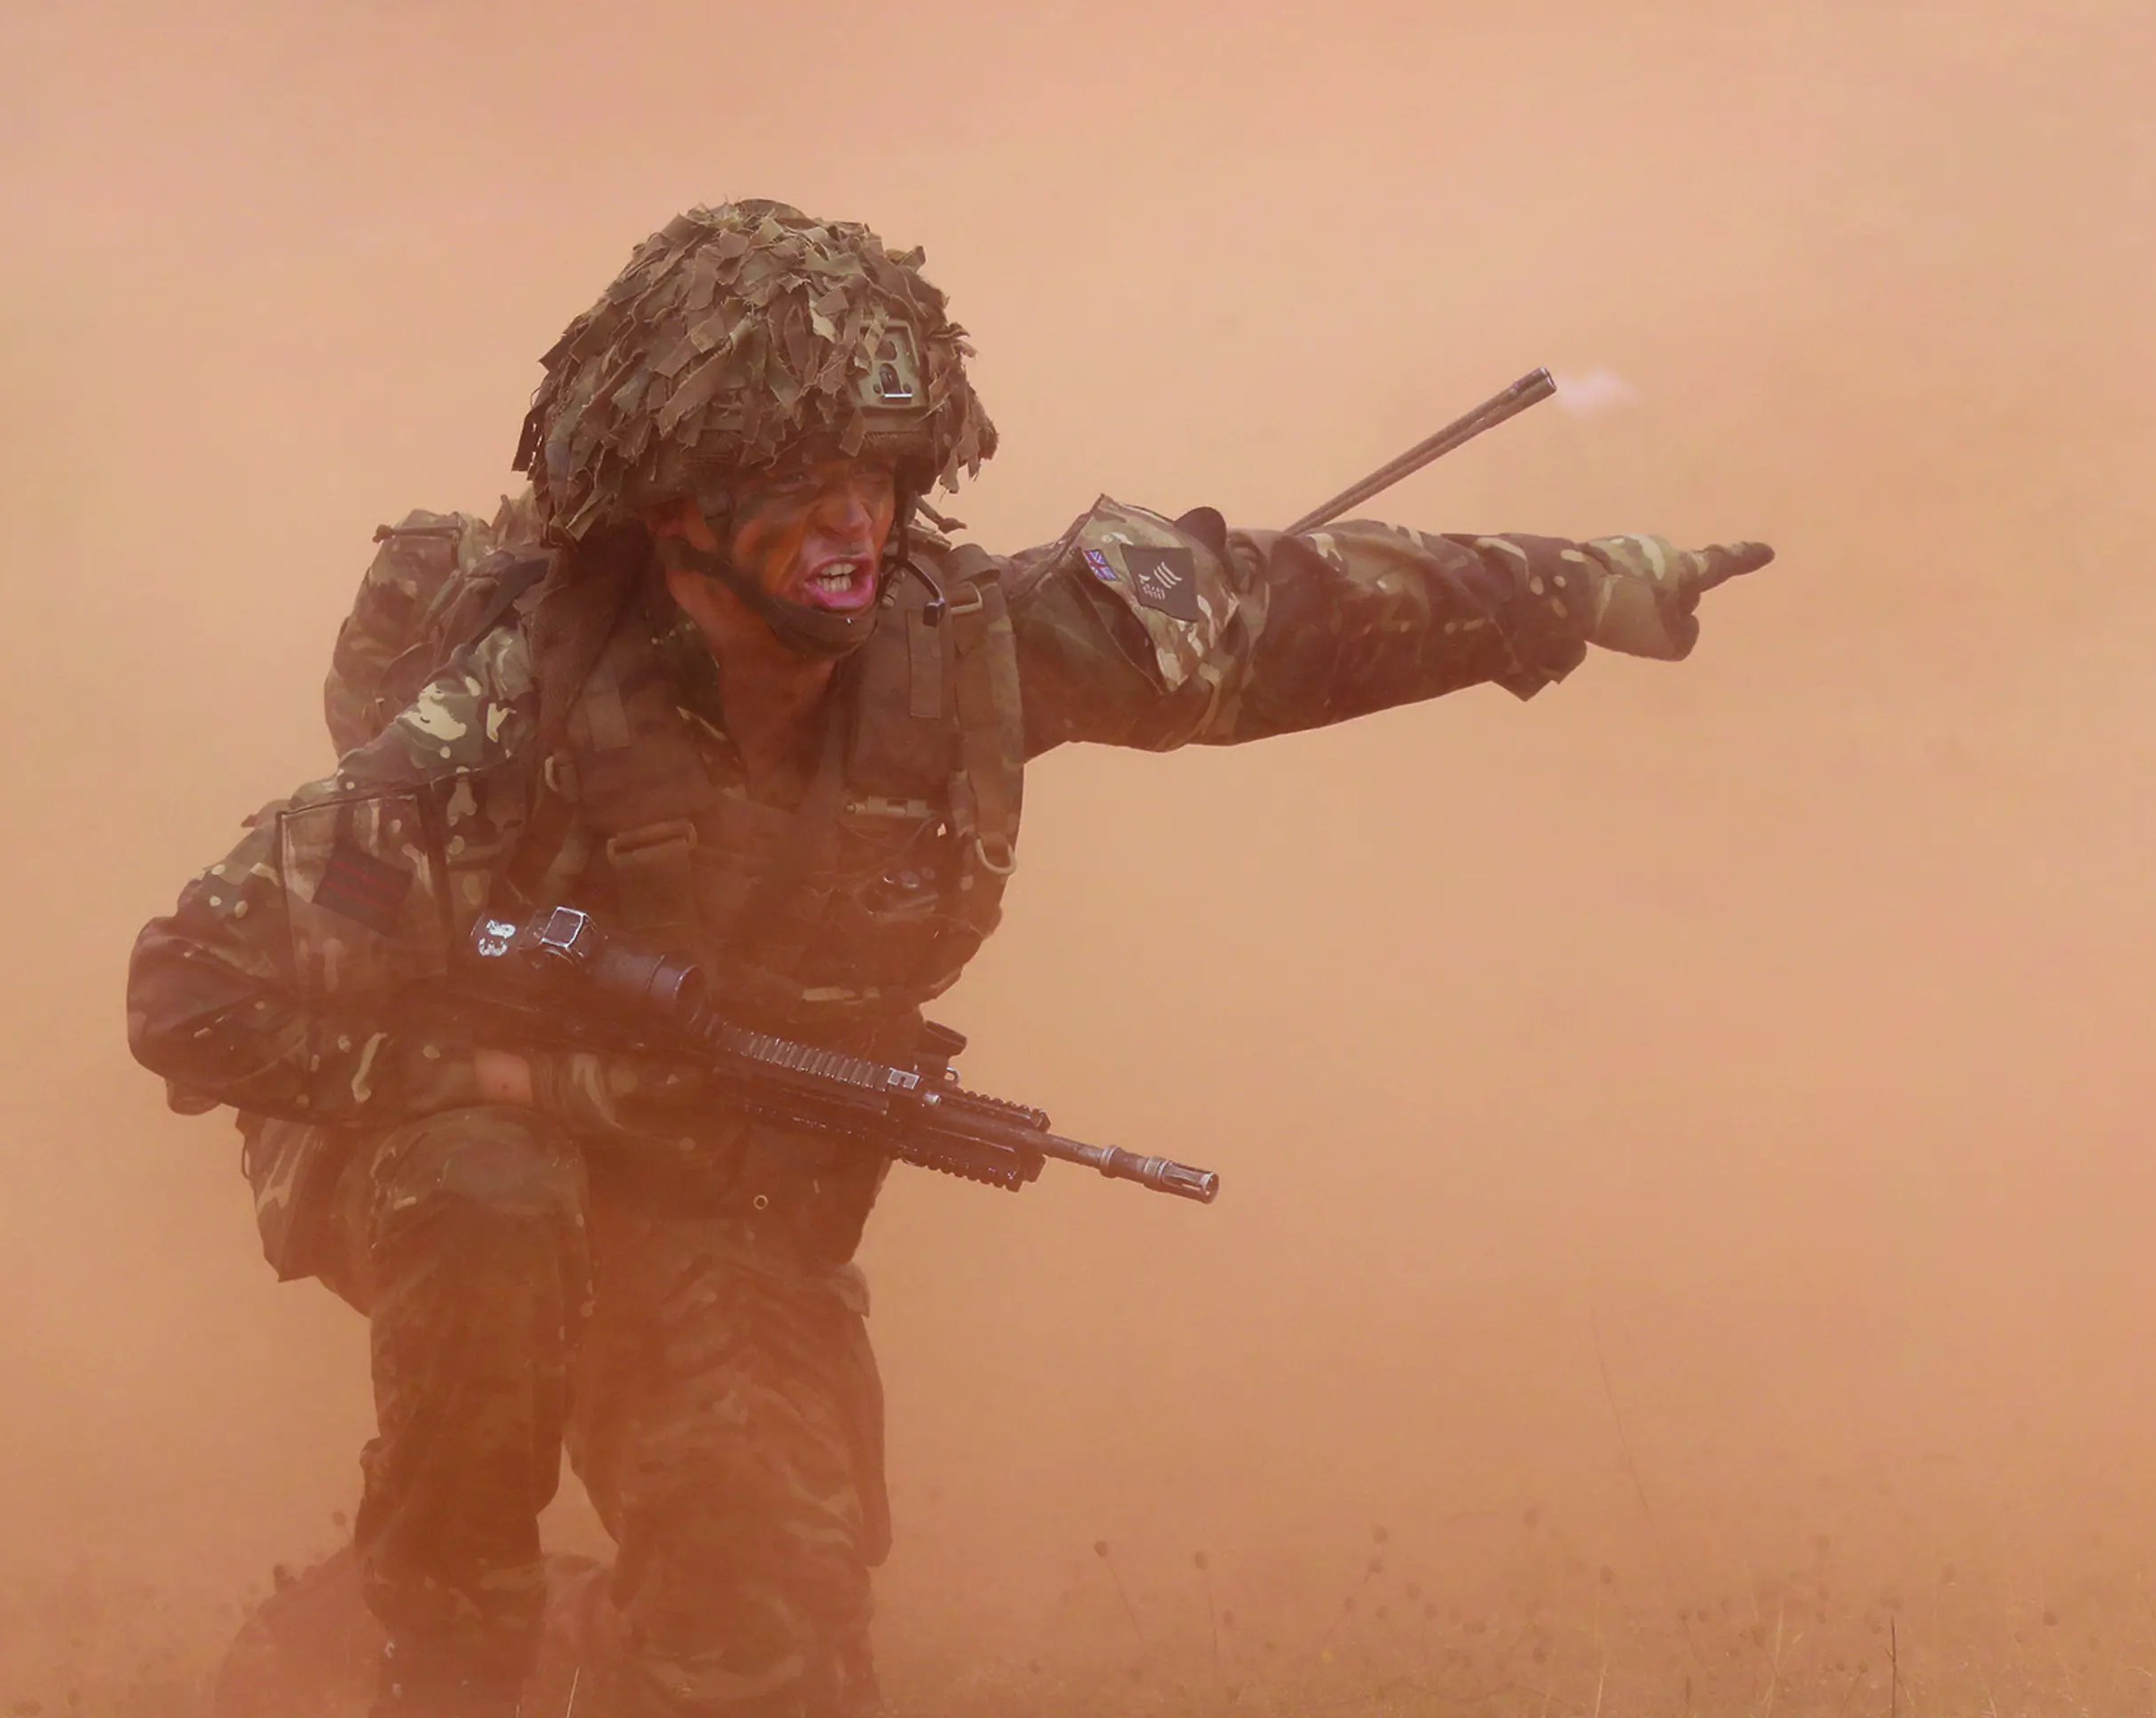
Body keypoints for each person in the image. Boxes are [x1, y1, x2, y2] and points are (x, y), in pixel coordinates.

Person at [126, 200, 1771, 1718]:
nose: (854, 523)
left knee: (764, 1622)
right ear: (680, 515)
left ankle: (590, 1637)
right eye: (800, 485)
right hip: (456, 1149)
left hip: (714, 1176)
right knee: (495, 1199)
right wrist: (509, 1070)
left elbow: (1284, 610)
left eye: (882, 480)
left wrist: (1598, 590)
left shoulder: (969, 648)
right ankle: (436, 1648)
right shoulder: (502, 716)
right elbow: (190, 985)